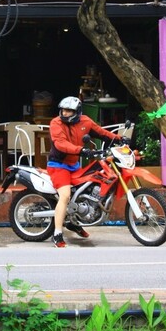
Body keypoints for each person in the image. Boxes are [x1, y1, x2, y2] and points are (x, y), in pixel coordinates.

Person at [46, 96, 118, 248]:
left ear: (77, 112)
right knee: (65, 195)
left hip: (74, 165)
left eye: (69, 111)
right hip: (58, 165)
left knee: (84, 192)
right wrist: (81, 150)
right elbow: (60, 144)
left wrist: (119, 138)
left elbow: (101, 132)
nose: (64, 113)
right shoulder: (55, 123)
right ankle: (57, 233)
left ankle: (73, 222)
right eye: (63, 110)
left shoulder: (85, 121)